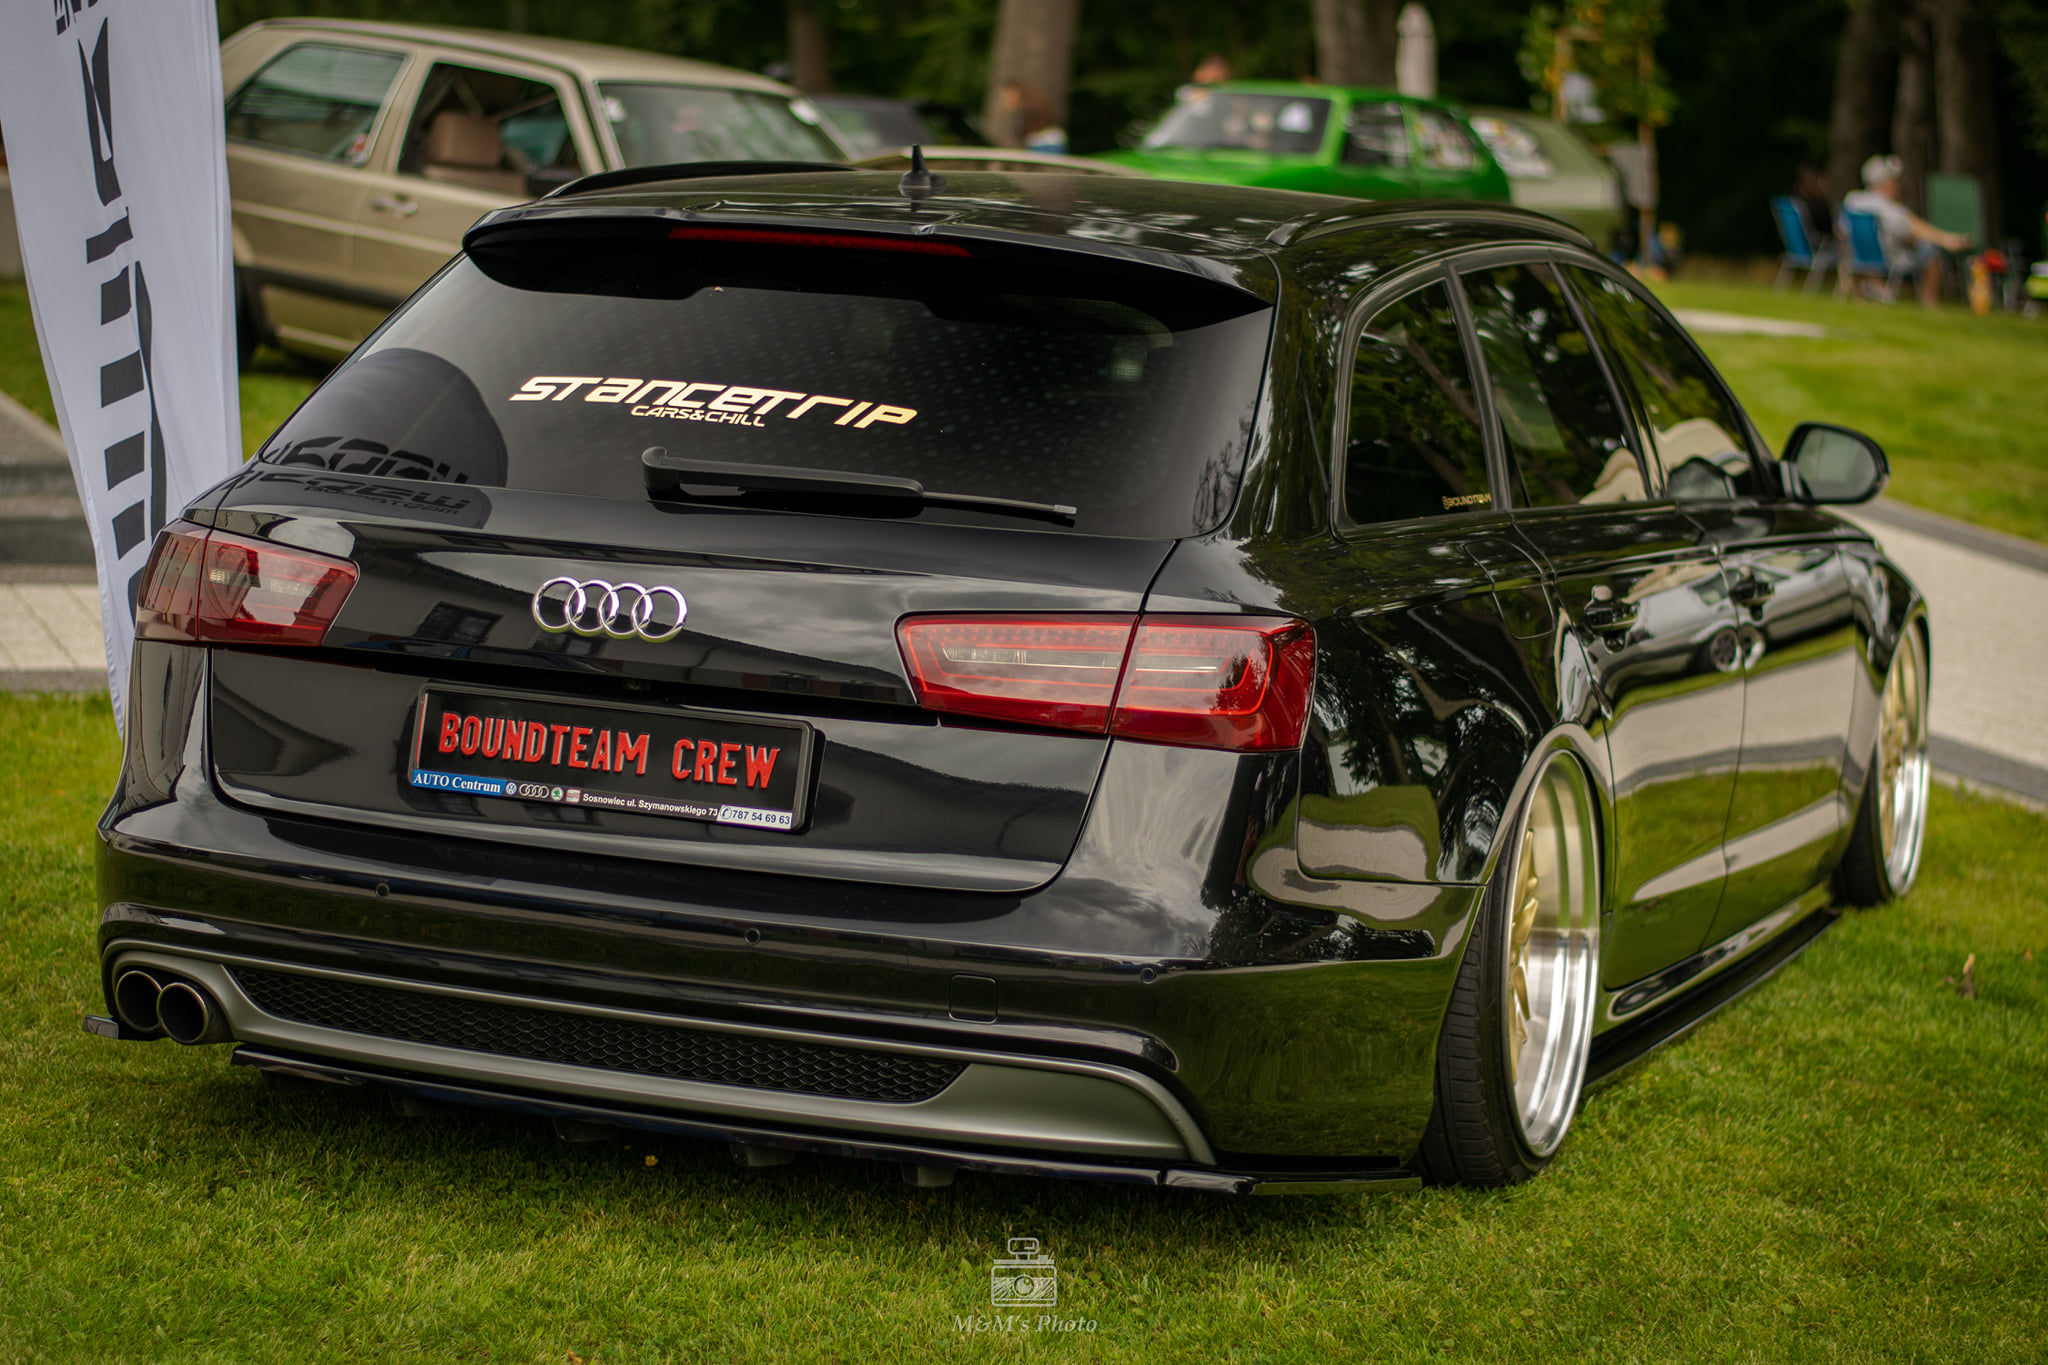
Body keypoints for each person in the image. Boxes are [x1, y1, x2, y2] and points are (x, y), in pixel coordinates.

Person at [1842, 153, 1972, 306]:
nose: (1897, 185)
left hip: (1856, 258)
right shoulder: (1889, 208)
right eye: (1893, 180)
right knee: (1929, 250)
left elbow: (1841, 230)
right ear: (1885, 183)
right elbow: (1911, 232)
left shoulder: (1852, 201)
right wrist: (1942, 240)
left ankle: (1864, 292)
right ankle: (1929, 303)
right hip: (1889, 260)